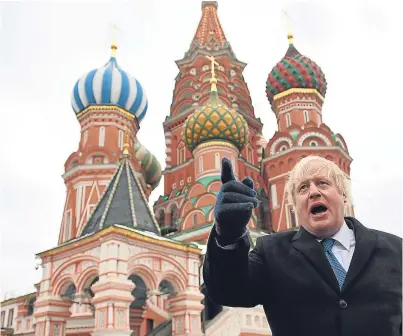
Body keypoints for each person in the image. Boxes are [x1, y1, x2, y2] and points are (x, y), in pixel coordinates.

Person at [203, 155, 402, 336]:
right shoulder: (272, 252)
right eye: (303, 188)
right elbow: (227, 290)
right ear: (295, 206)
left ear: (343, 195)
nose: (313, 192)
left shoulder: (395, 250)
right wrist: (228, 233)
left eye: (322, 183)